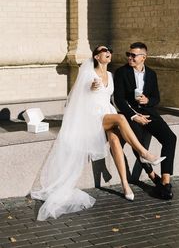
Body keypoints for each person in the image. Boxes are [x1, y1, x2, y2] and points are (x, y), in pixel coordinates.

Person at [31, 45, 165, 221]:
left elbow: (115, 98)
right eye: (103, 50)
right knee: (121, 119)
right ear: (96, 56)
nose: (108, 51)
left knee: (115, 141)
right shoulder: (88, 74)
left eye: (109, 49)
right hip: (92, 116)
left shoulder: (110, 75)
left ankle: (125, 186)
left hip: (106, 113)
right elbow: (81, 94)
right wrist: (91, 87)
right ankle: (144, 153)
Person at [113, 42, 177, 200]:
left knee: (170, 138)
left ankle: (166, 181)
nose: (130, 58)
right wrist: (134, 115)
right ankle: (152, 176)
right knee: (137, 143)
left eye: (134, 55)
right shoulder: (121, 72)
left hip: (148, 112)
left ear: (143, 57)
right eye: (128, 54)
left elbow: (156, 98)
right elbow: (119, 100)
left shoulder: (152, 74)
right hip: (130, 114)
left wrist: (147, 101)